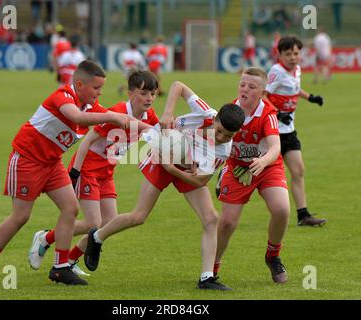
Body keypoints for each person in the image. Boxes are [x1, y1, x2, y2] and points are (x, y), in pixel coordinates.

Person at [0, 60, 132, 286]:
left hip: (51, 162)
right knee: (21, 216)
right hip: (27, 159)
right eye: (96, 88)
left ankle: (60, 268)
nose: (100, 92)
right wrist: (112, 116)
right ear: (79, 84)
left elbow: (120, 120)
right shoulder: (63, 95)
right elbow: (77, 118)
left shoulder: (90, 108)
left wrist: (159, 129)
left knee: (70, 208)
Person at [83, 81, 245, 291]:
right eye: (220, 130)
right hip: (163, 151)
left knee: (211, 218)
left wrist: (174, 169)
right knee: (138, 216)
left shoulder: (224, 149)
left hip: (184, 167)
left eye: (229, 136)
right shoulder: (205, 112)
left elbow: (200, 180)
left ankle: (206, 279)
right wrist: (168, 113)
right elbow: (178, 86)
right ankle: (96, 237)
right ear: (214, 119)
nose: (222, 138)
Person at [28, 70, 160, 276]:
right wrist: (75, 172)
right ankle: (46, 238)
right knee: (92, 223)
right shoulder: (116, 112)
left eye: (152, 93)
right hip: (88, 168)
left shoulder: (148, 116)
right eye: (144, 93)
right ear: (130, 93)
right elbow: (88, 140)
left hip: (107, 172)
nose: (149, 98)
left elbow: (159, 133)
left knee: (109, 222)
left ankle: (70, 258)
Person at [215, 67, 290, 284]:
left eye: (251, 86)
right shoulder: (228, 111)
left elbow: (275, 147)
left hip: (268, 166)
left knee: (282, 209)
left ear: (262, 92)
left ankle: (273, 256)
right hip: (237, 167)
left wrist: (263, 161)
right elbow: (215, 139)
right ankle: (212, 268)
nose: (244, 89)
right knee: (227, 222)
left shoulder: (267, 113)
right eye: (242, 84)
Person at [265, 35, 327, 227]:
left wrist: (311, 98)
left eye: (296, 53)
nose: (293, 57)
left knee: (298, 170)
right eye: (288, 54)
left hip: (289, 131)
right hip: (270, 131)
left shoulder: (297, 70)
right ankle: (226, 179)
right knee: (253, 169)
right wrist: (276, 113)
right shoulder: (276, 71)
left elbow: (295, 89)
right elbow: (263, 94)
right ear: (279, 55)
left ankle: (303, 215)